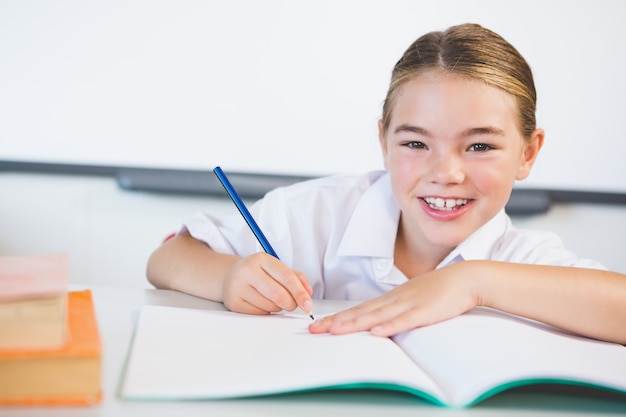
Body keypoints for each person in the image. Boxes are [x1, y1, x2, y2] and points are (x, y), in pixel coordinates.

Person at [147, 23, 626, 345]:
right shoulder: (316, 213)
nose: (446, 173)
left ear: (528, 153)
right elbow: (167, 259)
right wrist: (229, 278)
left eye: (479, 147)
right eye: (416, 144)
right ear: (383, 140)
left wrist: (473, 281)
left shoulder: (522, 258)